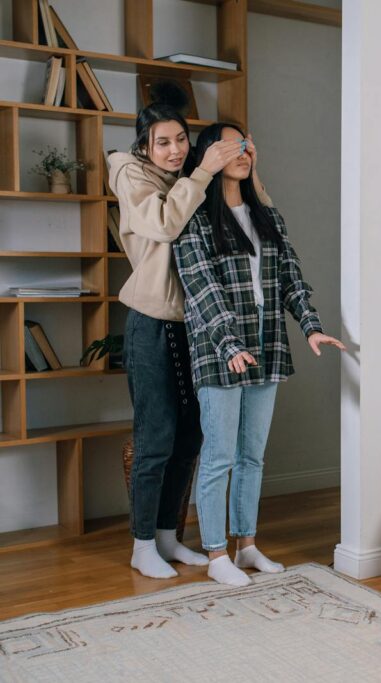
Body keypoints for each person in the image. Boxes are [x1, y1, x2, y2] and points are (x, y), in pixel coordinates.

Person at [173, 122, 344, 587]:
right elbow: (201, 289)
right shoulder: (194, 219)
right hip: (219, 352)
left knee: (252, 457)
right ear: (209, 156)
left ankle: (246, 546)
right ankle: (215, 553)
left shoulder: (267, 217)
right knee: (219, 458)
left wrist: (311, 327)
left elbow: (290, 277)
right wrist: (229, 344)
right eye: (231, 145)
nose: (243, 152)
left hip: (267, 349)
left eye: (247, 144)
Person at [109, 104, 246, 579]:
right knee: (155, 438)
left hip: (193, 325)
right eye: (163, 142)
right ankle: (142, 545)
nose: (174, 150)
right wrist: (203, 171)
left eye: (181, 139)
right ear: (144, 145)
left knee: (190, 434)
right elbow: (165, 224)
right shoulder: (132, 175)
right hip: (151, 322)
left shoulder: (187, 178)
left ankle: (168, 536)